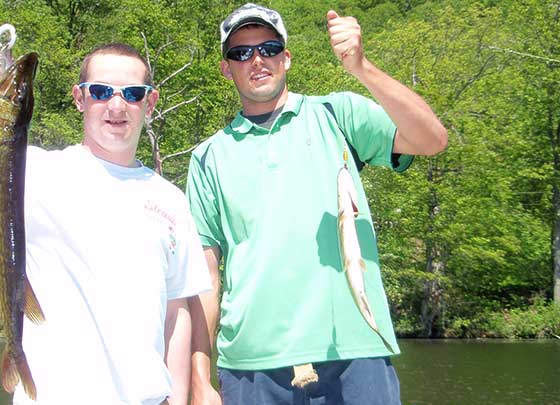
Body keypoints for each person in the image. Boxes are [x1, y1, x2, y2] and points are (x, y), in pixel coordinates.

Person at [0, 42, 211, 405]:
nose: (117, 106)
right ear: (79, 99)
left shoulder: (171, 200)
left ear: (149, 103)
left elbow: (177, 310)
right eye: (101, 92)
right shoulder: (32, 170)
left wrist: (178, 398)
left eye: (132, 94)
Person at [186, 3, 447, 405]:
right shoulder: (207, 156)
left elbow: (432, 140)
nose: (257, 60)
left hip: (354, 351)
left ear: (286, 58)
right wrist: (199, 379)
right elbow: (204, 277)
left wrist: (362, 68)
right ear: (227, 68)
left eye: (269, 48)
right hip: (250, 366)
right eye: (241, 52)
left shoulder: (337, 113)